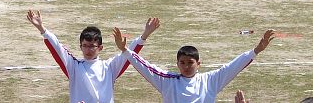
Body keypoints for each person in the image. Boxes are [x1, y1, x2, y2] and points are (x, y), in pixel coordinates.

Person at [113, 27, 275, 103]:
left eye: (190, 63)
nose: (186, 66)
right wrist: (125, 50)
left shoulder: (210, 80)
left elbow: (233, 67)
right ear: (177, 64)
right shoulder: (167, 81)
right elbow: (145, 66)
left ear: (198, 64)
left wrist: (256, 50)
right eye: (182, 63)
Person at [27, 10, 156, 103]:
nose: (88, 50)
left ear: (100, 48)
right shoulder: (74, 67)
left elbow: (129, 55)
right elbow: (57, 48)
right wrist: (42, 29)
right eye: (85, 46)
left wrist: (144, 35)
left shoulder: (109, 67)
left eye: (92, 46)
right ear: (80, 46)